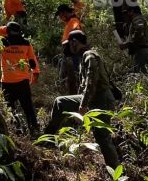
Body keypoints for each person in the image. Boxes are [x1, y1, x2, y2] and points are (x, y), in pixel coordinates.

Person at [43, 30, 120, 168]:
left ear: (75, 42)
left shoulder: (89, 56)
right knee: (60, 102)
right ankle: (49, 137)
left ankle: (116, 171)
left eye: (70, 44)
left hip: (101, 99)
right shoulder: (84, 56)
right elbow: (85, 85)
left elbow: (91, 82)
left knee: (102, 137)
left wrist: (82, 106)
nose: (68, 48)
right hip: (94, 98)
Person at [0, 22, 40, 133]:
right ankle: (34, 129)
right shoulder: (25, 43)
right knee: (28, 107)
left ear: (7, 30)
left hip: (7, 81)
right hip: (23, 81)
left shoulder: (2, 42)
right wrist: (36, 72)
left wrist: (5, 29)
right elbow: (32, 60)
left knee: (10, 107)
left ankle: (16, 130)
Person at [55, 4, 83, 95]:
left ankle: (76, 94)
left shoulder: (74, 21)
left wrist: (71, 45)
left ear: (64, 13)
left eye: (60, 15)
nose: (60, 18)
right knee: (66, 76)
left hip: (73, 55)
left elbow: (76, 33)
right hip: (68, 55)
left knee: (74, 76)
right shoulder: (69, 22)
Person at [120, 5, 148, 73]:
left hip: (142, 51)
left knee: (142, 76)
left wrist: (128, 44)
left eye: (128, 12)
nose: (127, 15)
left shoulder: (138, 19)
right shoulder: (136, 20)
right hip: (140, 52)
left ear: (132, 11)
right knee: (138, 74)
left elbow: (139, 31)